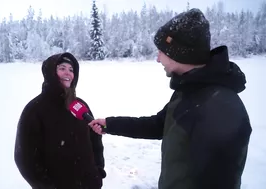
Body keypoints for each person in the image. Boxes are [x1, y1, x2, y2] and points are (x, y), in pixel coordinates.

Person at [89, 8, 252, 189]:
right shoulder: (190, 91)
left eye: (161, 52)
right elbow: (159, 124)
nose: (158, 59)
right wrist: (111, 124)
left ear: (180, 53)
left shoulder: (218, 106)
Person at [14, 52, 106, 189]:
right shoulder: (34, 110)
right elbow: (25, 160)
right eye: (62, 68)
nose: (67, 73)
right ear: (51, 72)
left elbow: (95, 140)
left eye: (71, 70)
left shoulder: (80, 105)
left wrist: (98, 172)